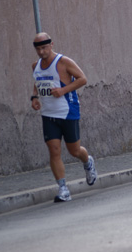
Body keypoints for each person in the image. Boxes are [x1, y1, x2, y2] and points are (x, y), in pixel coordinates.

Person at [30, 32, 97, 202]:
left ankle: (87, 161)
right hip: (48, 114)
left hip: (68, 112)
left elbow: (83, 79)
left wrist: (63, 90)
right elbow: (38, 83)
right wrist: (34, 97)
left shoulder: (63, 62)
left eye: (44, 47)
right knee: (54, 150)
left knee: (74, 150)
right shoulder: (35, 65)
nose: (41, 52)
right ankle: (63, 188)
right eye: (38, 49)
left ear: (51, 45)